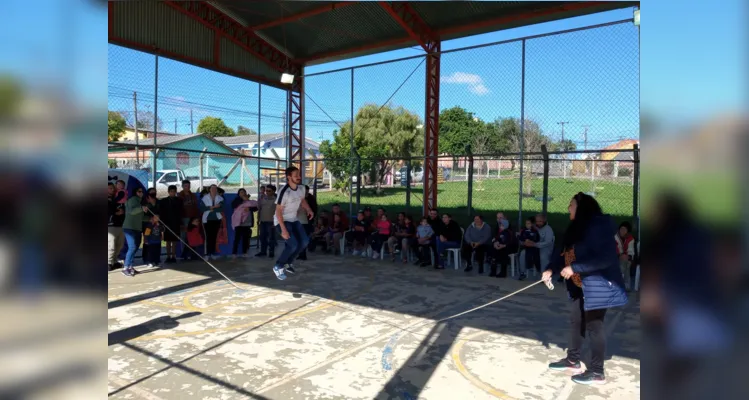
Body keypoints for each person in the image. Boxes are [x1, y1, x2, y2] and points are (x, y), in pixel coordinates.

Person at [542, 192, 627, 385]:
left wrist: (574, 268)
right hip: (579, 285)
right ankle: (573, 360)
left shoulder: (599, 227)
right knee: (575, 320)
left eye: (571, 205)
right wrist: (550, 269)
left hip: (599, 284)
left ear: (582, 207)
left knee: (594, 326)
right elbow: (564, 254)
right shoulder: (575, 228)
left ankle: (597, 372)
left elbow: (605, 259)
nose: (568, 209)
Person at [272, 166, 314, 281]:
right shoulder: (284, 191)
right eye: (296, 176)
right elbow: (278, 211)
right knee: (293, 244)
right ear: (288, 177)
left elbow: (302, 200)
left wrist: (309, 210)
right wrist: (283, 229)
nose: (299, 177)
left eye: (299, 175)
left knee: (305, 241)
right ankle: (278, 266)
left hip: (294, 219)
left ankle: (288, 263)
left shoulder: (301, 189)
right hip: (282, 221)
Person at [122, 187, 147, 276]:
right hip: (129, 227)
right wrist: (141, 208)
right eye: (139, 191)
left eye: (142, 192)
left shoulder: (140, 202)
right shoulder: (132, 200)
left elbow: (141, 217)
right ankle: (125, 267)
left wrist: (151, 219)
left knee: (135, 247)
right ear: (135, 192)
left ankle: (130, 266)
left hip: (137, 228)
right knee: (132, 247)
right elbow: (132, 211)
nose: (141, 193)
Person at [520, 213, 555, 279]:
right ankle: (523, 273)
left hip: (545, 249)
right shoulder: (533, 228)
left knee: (543, 256)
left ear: (544, 221)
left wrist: (535, 244)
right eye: (536, 221)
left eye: (540, 221)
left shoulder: (548, 229)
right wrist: (525, 242)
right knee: (523, 253)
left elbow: (547, 242)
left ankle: (544, 275)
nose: (538, 223)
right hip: (533, 248)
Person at [158, 185, 183, 264]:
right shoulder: (164, 201)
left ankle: (173, 256)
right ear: (168, 192)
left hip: (176, 223)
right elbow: (161, 212)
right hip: (167, 223)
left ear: (176, 192)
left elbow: (180, 213)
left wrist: (180, 223)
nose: (172, 193)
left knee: (174, 241)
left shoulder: (179, 200)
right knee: (168, 241)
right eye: (171, 191)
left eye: (174, 191)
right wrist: (162, 223)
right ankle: (168, 256)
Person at [231, 188, 258, 259]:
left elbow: (256, 208)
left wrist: (249, 208)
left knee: (246, 239)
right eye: (241, 192)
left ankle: (245, 253)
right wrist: (243, 200)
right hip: (239, 223)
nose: (242, 193)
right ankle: (234, 253)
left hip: (247, 223)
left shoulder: (250, 201)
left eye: (243, 192)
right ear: (239, 194)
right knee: (237, 238)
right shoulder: (237, 201)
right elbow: (233, 205)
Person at [200, 184, 224, 260]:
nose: (214, 190)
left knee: (214, 237)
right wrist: (214, 207)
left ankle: (212, 253)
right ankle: (206, 254)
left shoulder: (220, 198)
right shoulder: (205, 198)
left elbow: (221, 209)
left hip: (217, 219)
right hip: (207, 220)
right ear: (209, 190)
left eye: (215, 189)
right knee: (207, 237)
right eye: (212, 189)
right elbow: (202, 208)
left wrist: (210, 208)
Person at [178, 180, 200, 260]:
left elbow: (196, 206)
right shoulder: (180, 196)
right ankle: (184, 254)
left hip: (192, 218)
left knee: (193, 236)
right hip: (184, 218)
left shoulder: (193, 195)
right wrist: (180, 219)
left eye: (189, 186)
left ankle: (193, 254)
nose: (188, 187)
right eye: (186, 186)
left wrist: (196, 217)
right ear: (182, 186)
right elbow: (178, 209)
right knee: (184, 236)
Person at [256, 185, 277, 258]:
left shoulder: (276, 200)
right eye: (266, 190)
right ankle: (263, 251)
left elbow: (278, 212)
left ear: (273, 191)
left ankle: (271, 252)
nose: (267, 192)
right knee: (262, 237)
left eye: (269, 191)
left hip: (271, 221)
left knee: (271, 238)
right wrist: (258, 219)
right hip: (263, 221)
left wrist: (275, 222)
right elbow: (259, 209)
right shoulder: (262, 198)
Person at [108, 183, 126, 271]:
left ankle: (114, 261)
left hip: (120, 224)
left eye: (113, 188)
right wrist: (115, 213)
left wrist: (122, 211)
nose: (112, 189)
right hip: (110, 225)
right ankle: (108, 262)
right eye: (110, 188)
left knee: (119, 245)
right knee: (111, 245)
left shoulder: (117, 198)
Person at [296, 185, 316, 261]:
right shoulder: (299, 199)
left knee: (303, 238)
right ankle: (301, 254)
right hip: (299, 221)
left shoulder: (308, 200)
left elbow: (313, 210)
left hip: (305, 221)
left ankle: (303, 254)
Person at [614, 221, 636, 291]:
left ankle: (621, 284)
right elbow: (613, 250)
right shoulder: (615, 237)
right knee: (624, 264)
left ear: (628, 231)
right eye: (621, 229)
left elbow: (631, 251)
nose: (622, 231)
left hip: (625, 259)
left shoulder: (630, 239)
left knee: (625, 262)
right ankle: (626, 286)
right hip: (615, 258)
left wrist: (628, 257)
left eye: (625, 229)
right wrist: (620, 255)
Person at [141, 188, 159, 263]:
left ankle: (155, 258)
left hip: (155, 223)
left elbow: (159, 210)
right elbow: (143, 213)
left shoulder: (157, 201)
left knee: (155, 241)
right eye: (151, 193)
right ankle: (146, 258)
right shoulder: (144, 201)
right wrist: (150, 203)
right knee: (147, 241)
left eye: (154, 193)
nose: (153, 194)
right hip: (147, 223)